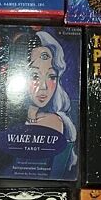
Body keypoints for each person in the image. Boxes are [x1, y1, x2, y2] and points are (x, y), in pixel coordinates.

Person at [22, 31, 78, 173]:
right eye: (35, 76)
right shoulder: (14, 118)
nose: (44, 87)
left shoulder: (52, 121)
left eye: (51, 76)